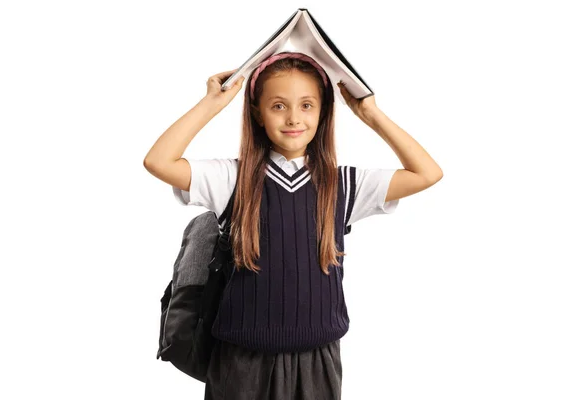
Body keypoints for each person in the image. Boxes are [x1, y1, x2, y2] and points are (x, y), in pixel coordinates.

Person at [144, 51, 443, 399]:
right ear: (257, 112)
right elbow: (158, 161)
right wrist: (212, 104)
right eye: (278, 106)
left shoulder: (343, 184)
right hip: (241, 363)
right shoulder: (233, 179)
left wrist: (370, 114)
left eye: (306, 105)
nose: (293, 118)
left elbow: (427, 173)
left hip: (317, 362)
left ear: (323, 111)